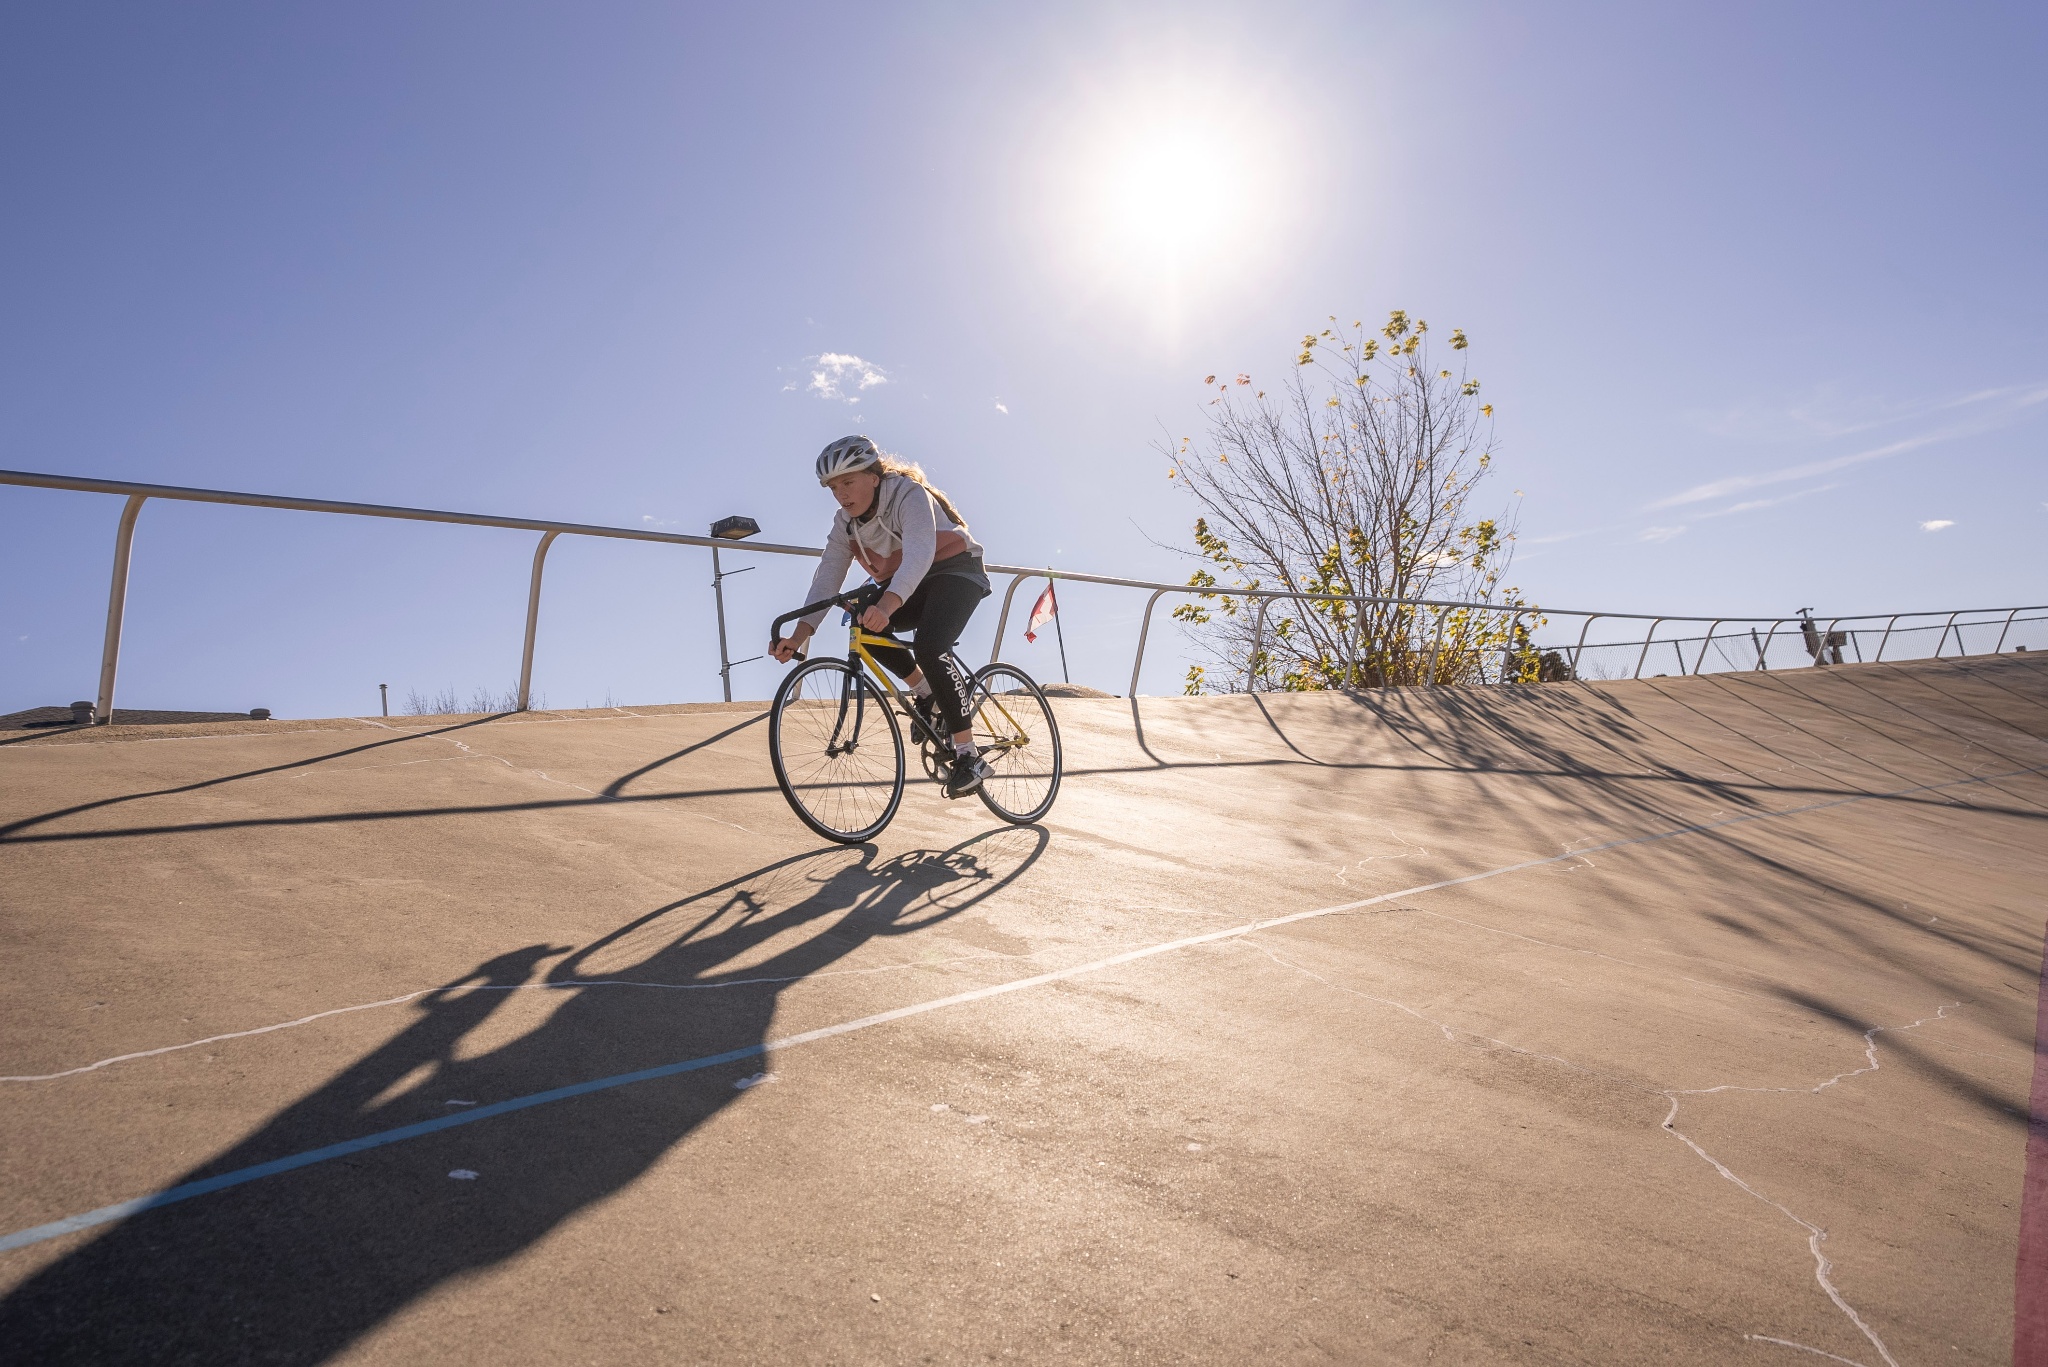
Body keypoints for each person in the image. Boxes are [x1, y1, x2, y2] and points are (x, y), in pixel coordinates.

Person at [770, 435, 994, 798]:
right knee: (861, 623)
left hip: (955, 571)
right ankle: (925, 693)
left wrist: (888, 605)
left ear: (873, 477)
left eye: (848, 482)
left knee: (931, 645)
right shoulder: (844, 524)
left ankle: (969, 755)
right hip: (908, 582)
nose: (841, 494)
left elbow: (920, 554)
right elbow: (827, 577)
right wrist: (799, 636)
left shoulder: (907, 493)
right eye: (833, 487)